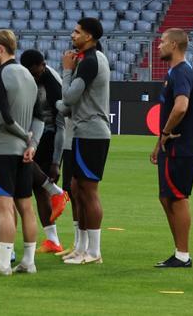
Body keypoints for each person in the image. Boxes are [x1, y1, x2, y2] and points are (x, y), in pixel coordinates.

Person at [0, 30, 45, 276]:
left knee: (4, 206)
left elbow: (6, 118)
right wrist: (32, 145)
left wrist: (24, 136)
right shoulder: (29, 77)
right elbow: (40, 116)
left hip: (3, 149)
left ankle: (3, 263)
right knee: (26, 206)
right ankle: (28, 261)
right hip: (24, 153)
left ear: (0, 48)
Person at [60, 17, 111, 265]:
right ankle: (81, 248)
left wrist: (66, 70)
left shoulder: (89, 62)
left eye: (77, 31)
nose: (73, 35)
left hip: (91, 132)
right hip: (85, 131)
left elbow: (69, 97)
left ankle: (94, 252)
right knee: (77, 188)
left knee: (88, 191)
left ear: (89, 36)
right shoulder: (92, 58)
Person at [152, 28, 193, 269]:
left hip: (181, 146)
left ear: (174, 46)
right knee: (166, 197)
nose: (158, 46)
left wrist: (167, 134)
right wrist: (159, 141)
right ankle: (179, 252)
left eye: (162, 42)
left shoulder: (181, 73)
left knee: (177, 198)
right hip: (172, 146)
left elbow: (181, 106)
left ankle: (183, 255)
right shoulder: (175, 73)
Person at [20, 49, 71, 255]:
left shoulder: (53, 84)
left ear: (43, 64)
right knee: (37, 188)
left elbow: (61, 125)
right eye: (31, 73)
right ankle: (52, 240)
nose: (35, 76)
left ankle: (54, 237)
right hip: (32, 135)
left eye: (37, 71)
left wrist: (56, 162)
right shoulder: (26, 78)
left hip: (49, 137)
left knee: (39, 188)